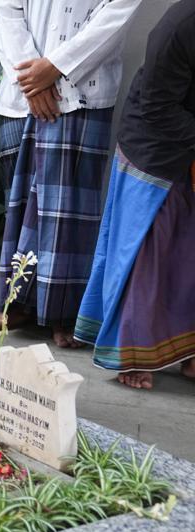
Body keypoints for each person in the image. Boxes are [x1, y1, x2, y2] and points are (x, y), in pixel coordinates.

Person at [0, 0, 141, 347]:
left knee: (68, 214)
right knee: (20, 203)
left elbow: (116, 13)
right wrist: (32, 80)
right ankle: (19, 304)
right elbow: (7, 8)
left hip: (84, 88)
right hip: (21, 89)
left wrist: (56, 68)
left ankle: (64, 313)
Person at [74, 0, 195, 390]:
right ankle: (130, 356)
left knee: (188, 257)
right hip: (155, 147)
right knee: (146, 255)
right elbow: (159, 106)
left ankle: (190, 355)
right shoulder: (183, 22)